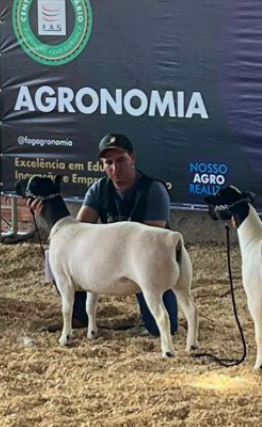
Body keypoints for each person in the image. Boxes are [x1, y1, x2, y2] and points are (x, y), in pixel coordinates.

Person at [29, 133, 177, 336]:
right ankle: (78, 316)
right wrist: (48, 213)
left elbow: (152, 236)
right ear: (102, 164)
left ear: (132, 158)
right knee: (72, 258)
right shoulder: (98, 189)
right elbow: (77, 231)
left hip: (149, 260)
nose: (115, 169)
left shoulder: (154, 189)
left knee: (163, 329)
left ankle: (152, 319)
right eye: (108, 162)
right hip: (115, 257)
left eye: (120, 161)